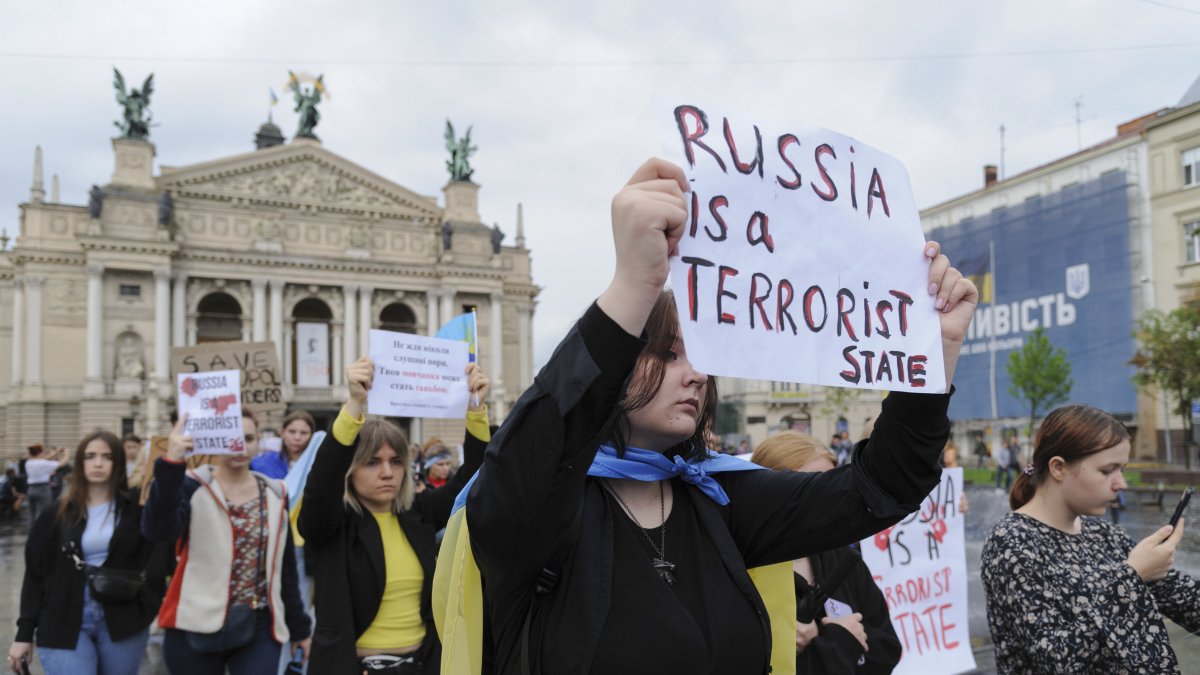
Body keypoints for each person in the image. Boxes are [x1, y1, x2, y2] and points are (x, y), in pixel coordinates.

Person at [462, 158, 976, 673]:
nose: (696, 375)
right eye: (666, 354)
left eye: (702, 358)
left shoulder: (720, 498)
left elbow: (879, 489)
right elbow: (534, 445)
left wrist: (935, 355)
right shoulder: (539, 512)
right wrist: (635, 285)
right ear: (616, 367)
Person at [299, 360, 490, 674]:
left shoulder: (418, 513)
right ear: (350, 470)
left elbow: (473, 479)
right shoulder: (333, 527)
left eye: (396, 461)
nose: (388, 473)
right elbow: (320, 489)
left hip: (422, 665)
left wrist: (476, 408)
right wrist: (355, 405)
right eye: (373, 462)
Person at [982, 404, 1200, 673]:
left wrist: (1145, 570)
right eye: (1107, 471)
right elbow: (1057, 661)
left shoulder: (1104, 534)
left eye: (1122, 469)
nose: (1121, 484)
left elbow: (1189, 603)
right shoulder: (1012, 541)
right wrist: (1133, 577)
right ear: (1059, 468)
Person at [142, 409, 312, 675]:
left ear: (258, 443)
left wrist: (300, 628)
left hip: (258, 622)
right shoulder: (193, 486)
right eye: (230, 438)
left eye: (248, 438)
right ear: (213, 441)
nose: (240, 446)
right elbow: (158, 530)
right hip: (195, 620)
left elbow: (285, 568)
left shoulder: (276, 493)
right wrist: (171, 463)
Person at [9, 431, 168, 675]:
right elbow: (35, 574)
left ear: (118, 463)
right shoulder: (55, 513)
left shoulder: (135, 510)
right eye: (90, 456)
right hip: (63, 617)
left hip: (123, 619)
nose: (98, 463)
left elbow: (160, 545)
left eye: (107, 457)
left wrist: (150, 601)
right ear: (80, 462)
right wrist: (24, 633)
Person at [751, 432, 901, 674]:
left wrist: (822, 638)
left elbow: (886, 647)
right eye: (809, 488)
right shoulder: (741, 569)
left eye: (832, 487)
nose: (825, 502)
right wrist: (835, 642)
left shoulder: (842, 558)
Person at [250, 410, 316, 479]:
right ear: (282, 433)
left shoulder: (317, 465)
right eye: (292, 432)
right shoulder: (264, 462)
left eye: (304, 433)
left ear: (312, 436)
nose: (297, 437)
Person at [23, 444, 64, 528]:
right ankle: (41, 534)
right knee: (43, 513)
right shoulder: (42, 463)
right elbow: (61, 464)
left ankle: (31, 534)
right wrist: (67, 454)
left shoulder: (28, 462)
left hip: (31, 489)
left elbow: (44, 459)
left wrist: (55, 452)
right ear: (40, 452)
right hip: (42, 489)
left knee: (31, 515)